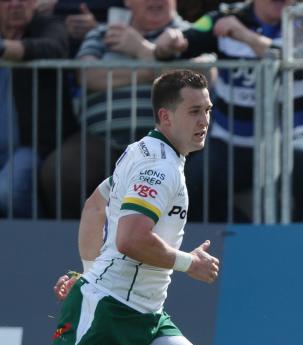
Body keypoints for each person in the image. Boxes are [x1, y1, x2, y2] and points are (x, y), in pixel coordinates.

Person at [0, 70, 241, 345]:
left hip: (144, 317)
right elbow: (130, 238)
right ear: (165, 117)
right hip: (110, 314)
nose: (204, 121)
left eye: (208, 110)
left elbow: (95, 206)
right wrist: (187, 263)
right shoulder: (159, 168)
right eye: (194, 111)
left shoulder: (143, 151)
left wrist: (88, 271)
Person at [154, 0, 303, 223]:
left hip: (291, 140)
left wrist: (245, 36)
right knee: (196, 177)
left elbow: (299, 59)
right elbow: (186, 40)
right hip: (231, 143)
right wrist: (166, 45)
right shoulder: (227, 16)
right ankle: (232, 239)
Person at [40, 0, 191, 219]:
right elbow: (88, 75)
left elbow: (203, 76)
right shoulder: (104, 33)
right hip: (101, 140)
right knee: (63, 170)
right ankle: (84, 242)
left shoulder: (189, 33)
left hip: (169, 145)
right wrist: (156, 70)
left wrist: (140, 49)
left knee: (200, 176)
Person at [0, 0, 78, 218]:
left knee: (8, 192)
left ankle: (37, 239)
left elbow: (53, 47)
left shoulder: (49, 25)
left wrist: (7, 49)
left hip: (32, 146)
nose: (15, 4)